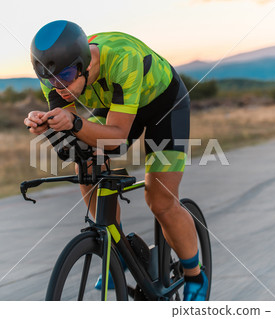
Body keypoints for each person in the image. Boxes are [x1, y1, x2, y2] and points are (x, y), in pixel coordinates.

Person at [24, 20, 208, 301]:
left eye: (66, 75)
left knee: (160, 200)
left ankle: (195, 275)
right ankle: (115, 249)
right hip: (118, 105)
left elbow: (116, 139)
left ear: (84, 62)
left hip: (164, 107)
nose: (59, 86)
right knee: (85, 159)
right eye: (50, 79)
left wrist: (72, 122)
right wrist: (47, 125)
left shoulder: (123, 59)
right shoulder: (53, 70)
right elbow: (70, 142)